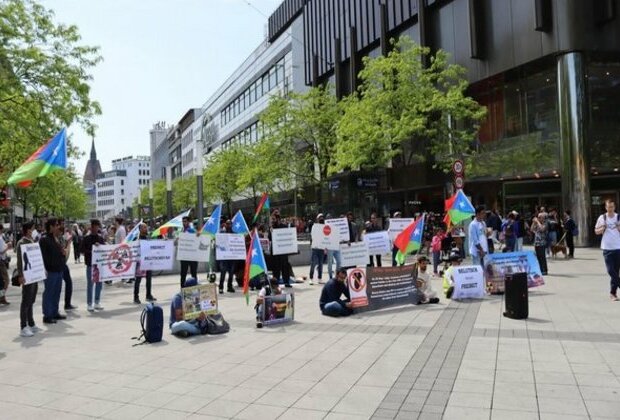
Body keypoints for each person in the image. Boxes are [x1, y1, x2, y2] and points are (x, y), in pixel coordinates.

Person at [16, 222, 42, 337]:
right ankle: (23, 326)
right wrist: (21, 275)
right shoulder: (21, 243)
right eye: (32, 229)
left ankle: (31, 323)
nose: (34, 230)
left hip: (34, 275)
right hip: (27, 276)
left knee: (31, 300)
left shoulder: (32, 242)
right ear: (28, 230)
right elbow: (20, 261)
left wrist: (41, 270)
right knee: (26, 300)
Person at [39, 218, 66, 324]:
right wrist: (44, 269)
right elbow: (42, 256)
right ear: (51, 226)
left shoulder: (55, 238)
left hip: (58, 269)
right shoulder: (44, 239)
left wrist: (62, 252)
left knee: (57, 292)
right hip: (50, 271)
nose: (58, 227)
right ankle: (47, 315)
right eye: (56, 225)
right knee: (49, 293)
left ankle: (55, 312)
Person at [594, 199, 620, 301]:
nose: (610, 209)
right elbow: (596, 231)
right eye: (608, 207)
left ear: (614, 207)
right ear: (605, 207)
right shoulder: (602, 217)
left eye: (612, 207)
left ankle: (613, 294)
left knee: (616, 273)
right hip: (607, 248)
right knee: (610, 271)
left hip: (618, 248)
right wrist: (602, 229)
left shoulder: (618, 217)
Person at [81, 219, 106, 312]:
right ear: (91, 227)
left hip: (99, 264)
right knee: (90, 284)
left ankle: (97, 301)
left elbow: (104, 250)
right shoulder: (86, 238)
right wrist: (92, 249)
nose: (96, 228)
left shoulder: (100, 238)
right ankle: (89, 303)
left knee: (99, 283)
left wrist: (100, 246)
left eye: (97, 226)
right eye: (94, 226)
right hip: (90, 264)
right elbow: (82, 250)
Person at [134, 223, 156, 304]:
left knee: (149, 279)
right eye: (144, 227)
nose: (146, 229)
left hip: (148, 260)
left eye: (146, 227)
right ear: (140, 229)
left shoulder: (148, 237)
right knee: (138, 280)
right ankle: (136, 297)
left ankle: (148, 295)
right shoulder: (137, 239)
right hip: (140, 262)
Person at [269, 210, 292, 288]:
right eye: (275, 218)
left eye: (278, 217)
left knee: (285, 267)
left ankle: (286, 282)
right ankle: (276, 283)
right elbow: (269, 238)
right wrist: (271, 230)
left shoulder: (284, 226)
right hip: (275, 252)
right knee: (276, 268)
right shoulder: (272, 227)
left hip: (283, 251)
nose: (276, 219)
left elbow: (288, 236)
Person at [58, 219, 77, 310]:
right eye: (61, 224)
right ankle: (63, 305)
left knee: (68, 283)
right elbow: (64, 252)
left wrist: (68, 243)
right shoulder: (58, 238)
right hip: (59, 264)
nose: (63, 225)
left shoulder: (62, 237)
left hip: (62, 263)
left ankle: (67, 303)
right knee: (58, 286)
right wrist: (68, 244)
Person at [178, 216, 198, 288]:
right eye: (183, 221)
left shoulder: (193, 230)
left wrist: (198, 235)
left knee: (194, 273)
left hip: (193, 256)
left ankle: (195, 288)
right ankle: (182, 289)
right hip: (184, 256)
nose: (184, 223)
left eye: (185, 221)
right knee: (183, 274)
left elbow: (199, 239)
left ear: (189, 222)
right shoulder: (181, 231)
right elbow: (177, 242)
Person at [219, 219, 236, 294]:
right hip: (224, 257)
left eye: (230, 224)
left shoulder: (234, 234)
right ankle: (221, 287)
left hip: (231, 258)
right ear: (225, 224)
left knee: (231, 273)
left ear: (232, 225)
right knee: (223, 273)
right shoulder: (221, 233)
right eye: (227, 224)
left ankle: (229, 287)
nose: (228, 225)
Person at [308, 214, 324, 285]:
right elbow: (312, 235)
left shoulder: (324, 227)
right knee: (313, 263)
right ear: (317, 219)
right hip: (315, 247)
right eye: (320, 218)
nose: (321, 219)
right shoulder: (314, 226)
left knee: (320, 263)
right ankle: (311, 278)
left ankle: (319, 278)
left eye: (322, 218)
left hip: (321, 248)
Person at [0, 224, 12, 305]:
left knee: (3, 281)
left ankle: (2, 297)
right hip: (0, 262)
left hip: (2, 261)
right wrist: (8, 246)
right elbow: (1, 251)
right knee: (6, 280)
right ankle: (1, 297)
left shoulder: (1, 238)